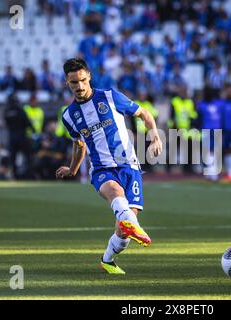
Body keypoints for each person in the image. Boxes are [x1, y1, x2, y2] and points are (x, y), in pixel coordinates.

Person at [55, 58, 162, 274]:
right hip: (101, 169)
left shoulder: (111, 97)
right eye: (74, 82)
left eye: (83, 80)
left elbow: (145, 114)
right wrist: (73, 169)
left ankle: (107, 259)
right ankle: (135, 227)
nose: (80, 86)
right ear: (67, 82)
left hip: (129, 167)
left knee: (123, 235)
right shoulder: (69, 115)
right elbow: (79, 144)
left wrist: (156, 137)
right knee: (116, 194)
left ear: (89, 77)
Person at [4, 94, 34, 179]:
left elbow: (6, 123)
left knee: (13, 158)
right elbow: (28, 123)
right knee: (28, 157)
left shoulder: (7, 111)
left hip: (12, 137)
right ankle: (29, 175)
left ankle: (15, 176)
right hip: (22, 137)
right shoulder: (21, 111)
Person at [197, 87, 222, 182]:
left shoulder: (202, 105)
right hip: (210, 130)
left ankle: (212, 173)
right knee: (211, 152)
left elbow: (199, 118)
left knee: (210, 152)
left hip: (210, 130)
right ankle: (212, 173)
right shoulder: (218, 104)